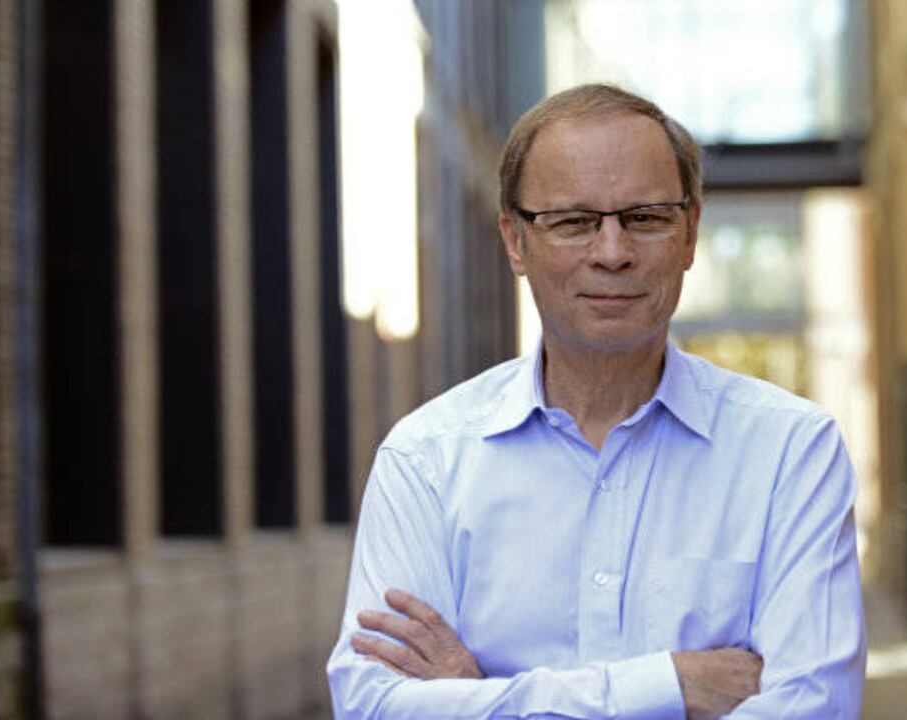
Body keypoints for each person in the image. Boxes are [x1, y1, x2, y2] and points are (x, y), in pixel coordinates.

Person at [326, 83, 865, 719]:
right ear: (515, 241)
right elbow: (374, 708)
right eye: (573, 222)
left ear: (690, 233)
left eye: (645, 218)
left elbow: (814, 709)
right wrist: (668, 687)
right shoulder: (425, 461)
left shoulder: (791, 453)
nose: (612, 253)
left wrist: (478, 697)